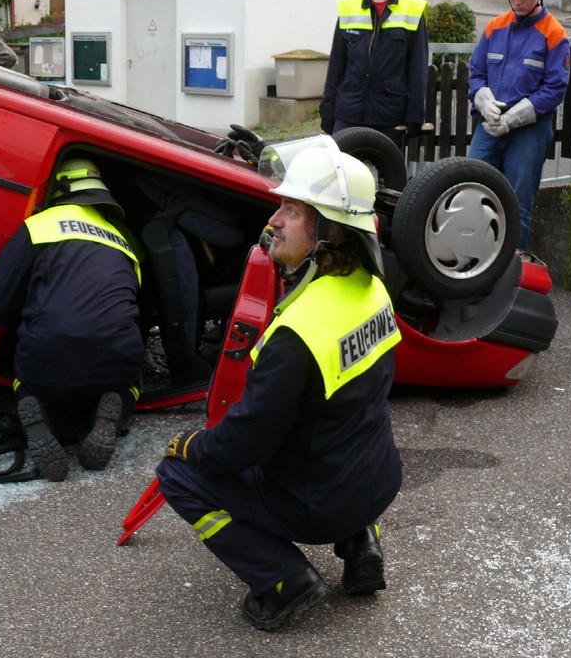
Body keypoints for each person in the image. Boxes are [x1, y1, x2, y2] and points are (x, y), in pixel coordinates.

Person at [156, 137, 403, 632]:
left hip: (320, 503)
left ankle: (285, 580)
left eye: (291, 210)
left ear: (330, 229)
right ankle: (362, 547)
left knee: (177, 476)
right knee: (342, 424)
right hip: (377, 483)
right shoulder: (373, 289)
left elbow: (242, 445)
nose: (273, 221)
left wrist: (194, 447)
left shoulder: (298, 336)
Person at [0, 158, 144, 481]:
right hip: (116, 360)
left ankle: (33, 404)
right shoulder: (124, 240)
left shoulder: (41, 225)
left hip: (48, 362)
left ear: (58, 190)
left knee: (26, 377)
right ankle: (115, 407)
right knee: (132, 380)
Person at [468, 0, 570, 251]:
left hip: (530, 131)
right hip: (489, 124)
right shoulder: (494, 28)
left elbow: (554, 89)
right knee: (471, 190)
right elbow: (476, 74)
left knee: (516, 203)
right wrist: (483, 100)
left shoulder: (554, 34)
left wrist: (513, 118)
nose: (518, 1)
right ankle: (473, 262)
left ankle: (513, 272)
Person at [320, 0, 429, 148]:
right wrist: (327, 109)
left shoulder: (413, 8)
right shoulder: (348, 6)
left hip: (390, 114)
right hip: (349, 110)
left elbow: (418, 68)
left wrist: (415, 114)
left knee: (387, 178)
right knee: (341, 174)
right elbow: (336, 64)